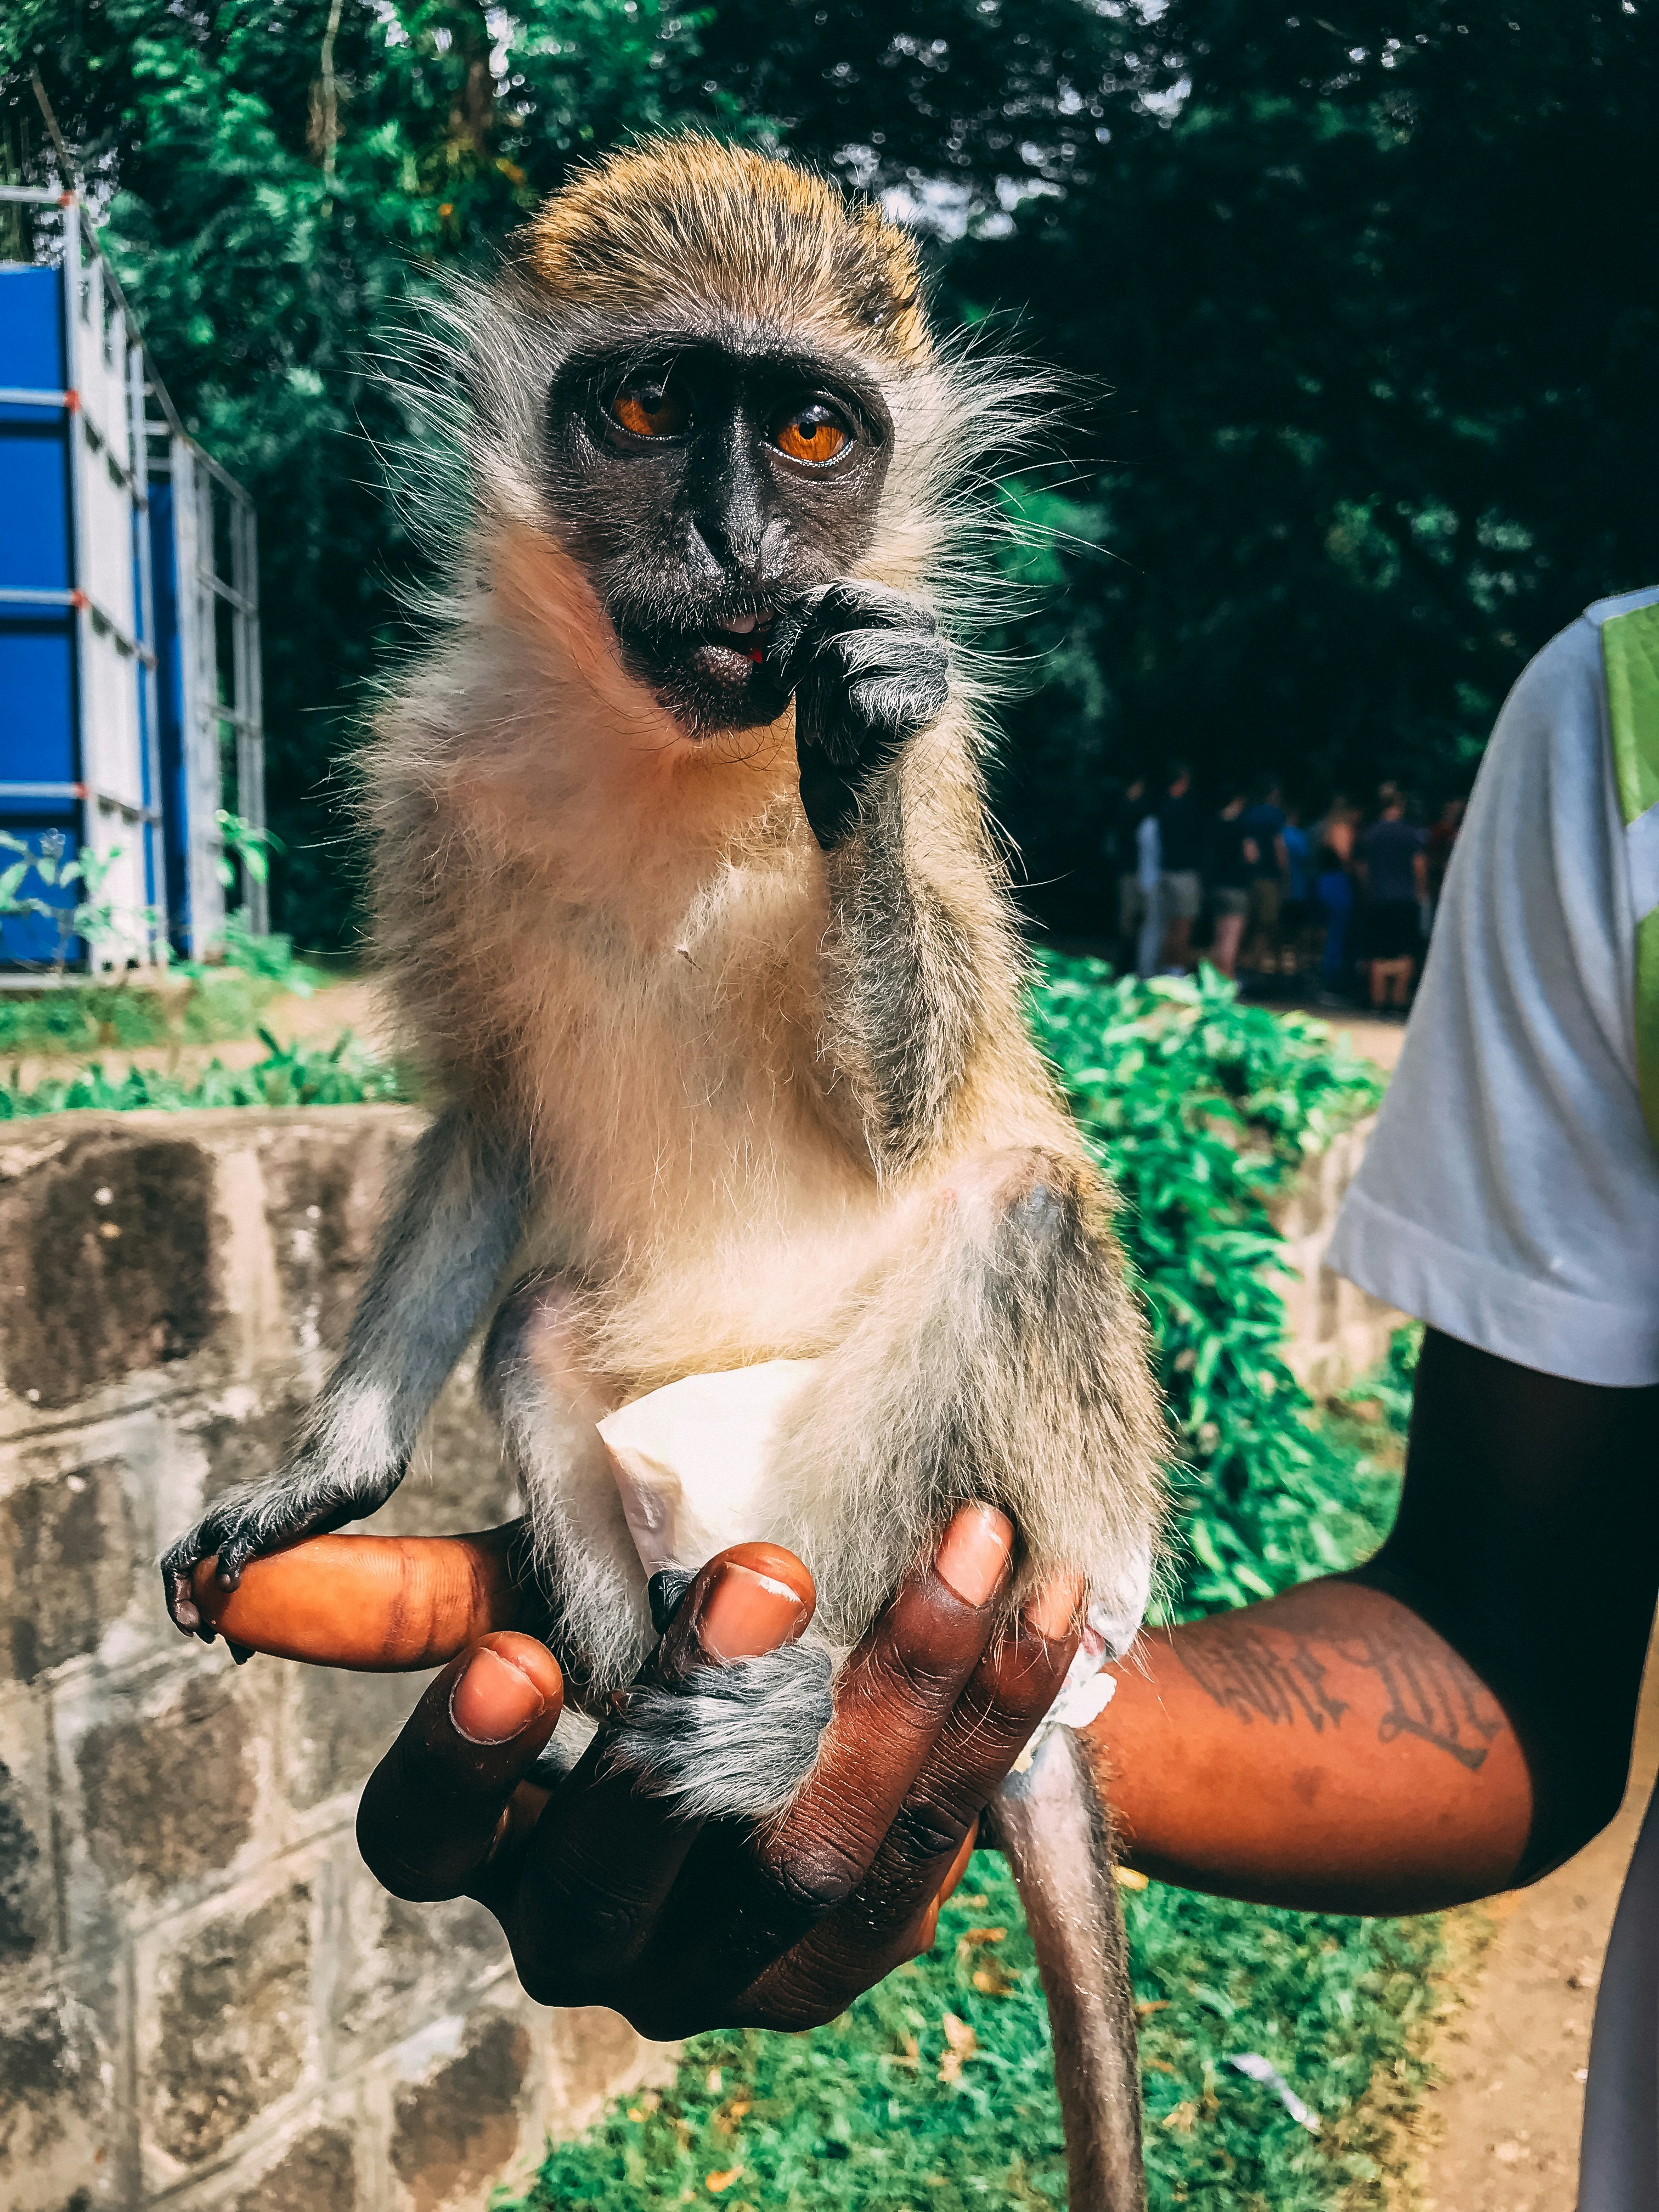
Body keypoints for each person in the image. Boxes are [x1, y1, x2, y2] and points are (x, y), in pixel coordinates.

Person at [229, 590, 1659, 2203]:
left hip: (927, 1377)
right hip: (719, 1416)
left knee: (1008, 1210)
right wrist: (354, 1441)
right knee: (539, 1331)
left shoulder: (885, 713)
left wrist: (861, 823)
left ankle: (770, 1693)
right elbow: (491, 1128)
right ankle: (667, 1701)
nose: (734, 544)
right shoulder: (1614, 720)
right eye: (634, 444)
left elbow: (913, 1115)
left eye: (810, 460)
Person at [1355, 783, 1427, 1011]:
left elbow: (1361, 868)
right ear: (1400, 806)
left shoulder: (1370, 834)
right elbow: (1419, 865)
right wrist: (1420, 892)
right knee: (1405, 952)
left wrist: (1368, 890)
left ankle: (1378, 1001)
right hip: (1405, 900)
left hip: (1378, 899)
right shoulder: (1411, 834)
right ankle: (1398, 1001)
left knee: (1378, 953)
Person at [1155, 763, 1206, 970]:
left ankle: (1166, 969)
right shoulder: (1188, 808)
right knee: (1183, 924)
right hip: (1184, 874)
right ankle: (1176, 970)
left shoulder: (1162, 806)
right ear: (1183, 780)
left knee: (1168, 925)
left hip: (1165, 872)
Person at [1239, 780, 1290, 977]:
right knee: (1268, 922)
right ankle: (1255, 965)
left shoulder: (1248, 814)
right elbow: (1278, 844)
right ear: (1273, 794)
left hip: (1248, 878)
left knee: (1249, 922)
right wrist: (1284, 871)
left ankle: (1243, 962)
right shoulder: (1274, 815)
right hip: (1268, 876)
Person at [1206, 791, 1256, 978]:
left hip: (1217, 885)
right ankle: (1227, 981)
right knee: (1231, 939)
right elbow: (1251, 855)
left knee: (1218, 939)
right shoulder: (1241, 826)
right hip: (1236, 886)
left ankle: (1213, 980)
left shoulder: (1214, 823)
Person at [1107, 774, 1150, 972]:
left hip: (1126, 871)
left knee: (1129, 917)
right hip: (1134, 872)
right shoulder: (1137, 811)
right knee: (1133, 917)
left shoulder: (1120, 809)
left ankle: (1127, 962)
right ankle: (1128, 962)